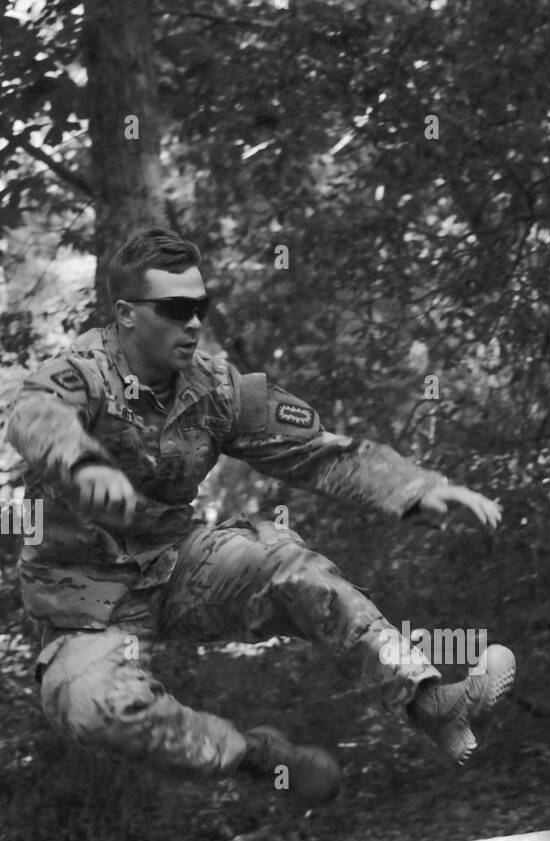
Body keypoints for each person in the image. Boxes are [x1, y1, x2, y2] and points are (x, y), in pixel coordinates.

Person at [6, 227, 516, 803]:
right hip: (84, 606)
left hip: (177, 569)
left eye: (201, 307)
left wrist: (417, 488)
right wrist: (81, 467)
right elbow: (34, 413)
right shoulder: (82, 371)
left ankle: (428, 703)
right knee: (95, 710)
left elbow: (316, 449)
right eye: (175, 309)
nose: (194, 323)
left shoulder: (218, 388)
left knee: (287, 564)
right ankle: (253, 755)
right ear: (125, 314)